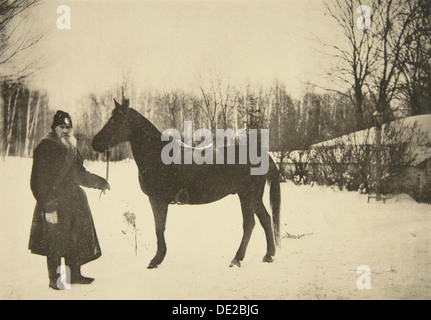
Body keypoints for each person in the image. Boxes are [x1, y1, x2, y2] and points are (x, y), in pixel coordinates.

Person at [28, 110, 110, 290]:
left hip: (74, 201)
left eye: (68, 127)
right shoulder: (45, 147)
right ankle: (55, 279)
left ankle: (75, 275)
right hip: (54, 201)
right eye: (61, 127)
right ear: (54, 128)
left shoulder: (72, 147)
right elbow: (37, 180)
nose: (65, 130)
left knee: (75, 237)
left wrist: (98, 182)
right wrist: (48, 206)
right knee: (55, 240)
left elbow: (79, 174)